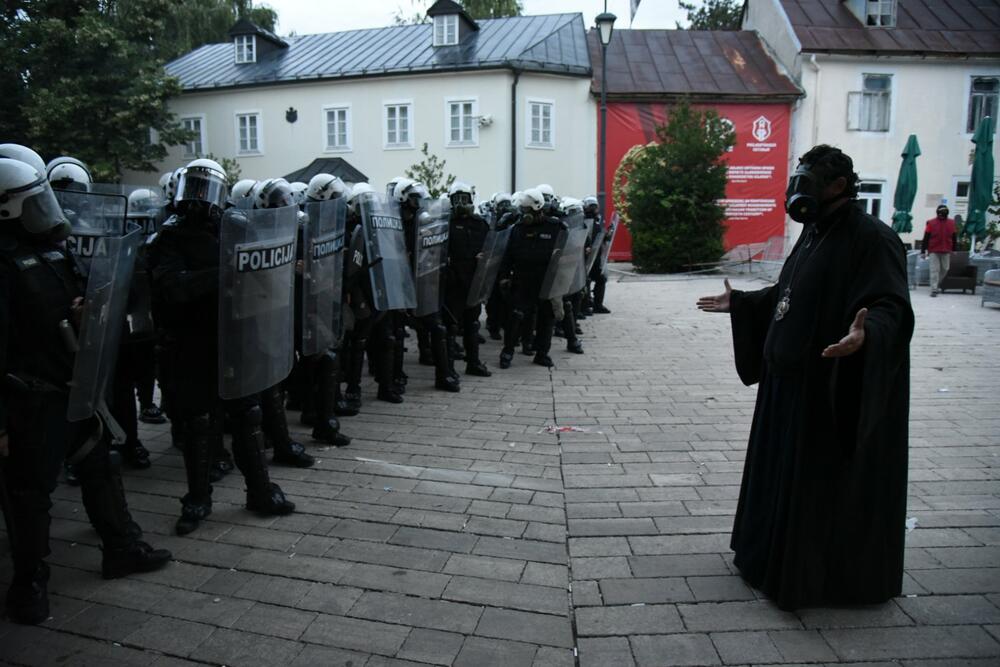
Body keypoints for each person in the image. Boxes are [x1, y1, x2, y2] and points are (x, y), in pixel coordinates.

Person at [696, 145, 913, 610]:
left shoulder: (871, 238)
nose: (800, 188)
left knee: (815, 488)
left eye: (811, 179)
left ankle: (812, 578)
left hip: (822, 388)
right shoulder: (814, 232)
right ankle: (765, 557)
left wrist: (866, 334)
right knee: (777, 477)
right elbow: (789, 292)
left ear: (839, 186)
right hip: (785, 384)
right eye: (801, 177)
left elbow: (891, 305)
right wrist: (744, 304)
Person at [0, 156, 171, 625]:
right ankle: (29, 582)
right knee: (29, 494)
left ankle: (121, 548)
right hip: (28, 400)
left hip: (72, 387)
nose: (46, 209)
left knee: (101, 464)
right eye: (34, 202)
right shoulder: (5, 262)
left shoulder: (55, 251)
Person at [148, 159, 295, 535]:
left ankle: (259, 491)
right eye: (192, 188)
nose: (197, 198)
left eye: (204, 189)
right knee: (199, 422)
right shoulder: (169, 236)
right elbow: (172, 288)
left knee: (246, 415)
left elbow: (264, 277)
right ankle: (198, 499)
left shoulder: (236, 225)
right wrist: (225, 273)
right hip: (192, 339)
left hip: (236, 335)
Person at [498, 188, 565, 369]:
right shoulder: (517, 230)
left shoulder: (555, 227)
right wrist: (504, 276)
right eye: (522, 210)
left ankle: (542, 354)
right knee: (516, 316)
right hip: (522, 280)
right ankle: (507, 352)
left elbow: (567, 253)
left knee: (547, 318)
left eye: (526, 210)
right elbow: (508, 255)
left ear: (538, 208)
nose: (523, 214)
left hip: (546, 281)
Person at [444, 181, 492, 377]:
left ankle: (473, 363)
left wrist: (485, 256)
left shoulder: (480, 223)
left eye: (465, 198)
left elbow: (490, 246)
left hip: (474, 280)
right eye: (458, 199)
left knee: (472, 324)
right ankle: (448, 368)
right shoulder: (445, 223)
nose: (462, 202)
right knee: (450, 326)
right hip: (453, 281)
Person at [921, 204, 957, 297]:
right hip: (933, 249)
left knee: (945, 269)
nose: (941, 215)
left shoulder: (951, 223)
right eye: (940, 214)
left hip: (946, 249)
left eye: (943, 214)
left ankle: (936, 284)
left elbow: (954, 237)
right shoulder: (931, 223)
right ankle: (934, 289)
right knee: (934, 270)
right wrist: (923, 251)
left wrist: (954, 249)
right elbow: (926, 238)